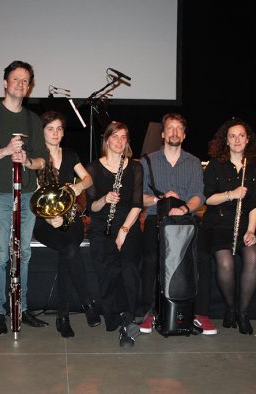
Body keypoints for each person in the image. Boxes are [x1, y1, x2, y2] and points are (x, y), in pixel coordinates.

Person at [0, 60, 48, 335]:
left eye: (25, 80)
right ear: (5, 83)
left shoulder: (32, 119)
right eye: (16, 79)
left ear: (29, 86)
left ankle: (22, 306)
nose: (20, 84)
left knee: (25, 253)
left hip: (27, 193)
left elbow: (43, 161)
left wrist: (27, 160)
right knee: (0, 255)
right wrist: (6, 151)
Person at [32, 111, 101, 338]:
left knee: (68, 251)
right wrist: (49, 218)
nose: (56, 133)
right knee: (69, 250)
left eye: (59, 128)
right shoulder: (35, 157)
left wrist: (79, 187)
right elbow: (33, 193)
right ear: (42, 131)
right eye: (50, 128)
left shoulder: (70, 154)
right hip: (44, 221)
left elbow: (88, 179)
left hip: (70, 218)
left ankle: (63, 317)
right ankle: (87, 302)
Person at [140, 113, 210, 334]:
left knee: (202, 258)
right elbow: (140, 197)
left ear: (184, 134)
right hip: (157, 218)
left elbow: (199, 196)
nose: (174, 132)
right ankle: (149, 313)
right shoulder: (147, 161)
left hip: (186, 220)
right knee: (151, 258)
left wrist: (185, 208)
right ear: (162, 134)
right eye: (170, 128)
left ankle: (200, 314)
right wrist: (159, 199)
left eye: (179, 129)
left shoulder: (194, 162)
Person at [203, 117, 256, 335]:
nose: (237, 139)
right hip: (219, 223)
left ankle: (243, 312)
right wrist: (231, 194)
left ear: (247, 139)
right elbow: (207, 199)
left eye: (241, 135)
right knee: (226, 265)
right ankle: (229, 308)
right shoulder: (215, 165)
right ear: (226, 141)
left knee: (253, 257)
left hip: (246, 223)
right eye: (232, 136)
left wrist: (251, 230)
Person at [86, 121, 143, 348]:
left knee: (127, 270)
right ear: (107, 139)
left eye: (124, 137)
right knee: (107, 274)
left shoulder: (135, 167)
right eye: (115, 136)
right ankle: (117, 318)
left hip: (126, 226)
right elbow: (92, 207)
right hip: (101, 228)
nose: (120, 141)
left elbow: (137, 204)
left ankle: (126, 319)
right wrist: (104, 199)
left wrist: (123, 231)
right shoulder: (93, 168)